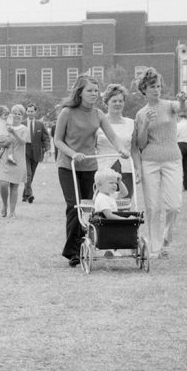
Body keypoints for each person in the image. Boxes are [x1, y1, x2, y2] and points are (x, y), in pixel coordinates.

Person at [54, 76, 129, 266]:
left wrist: (121, 149)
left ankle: (82, 246)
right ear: (80, 92)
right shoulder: (67, 112)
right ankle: (72, 251)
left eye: (96, 90)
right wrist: (73, 154)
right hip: (68, 165)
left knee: (88, 208)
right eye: (90, 90)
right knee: (74, 206)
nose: (94, 94)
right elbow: (58, 141)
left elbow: (113, 136)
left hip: (89, 166)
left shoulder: (98, 114)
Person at [133, 68, 182, 258]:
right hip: (150, 161)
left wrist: (183, 100)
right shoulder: (140, 113)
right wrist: (145, 123)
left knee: (174, 206)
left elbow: (181, 107)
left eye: (159, 86)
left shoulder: (170, 106)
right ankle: (154, 247)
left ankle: (166, 238)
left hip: (172, 159)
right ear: (144, 89)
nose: (157, 89)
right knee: (153, 207)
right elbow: (141, 143)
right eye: (153, 86)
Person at [94, 84, 136, 198]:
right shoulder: (98, 122)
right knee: (104, 205)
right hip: (103, 170)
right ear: (107, 102)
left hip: (126, 170)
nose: (118, 104)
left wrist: (138, 169)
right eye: (114, 101)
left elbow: (135, 149)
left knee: (124, 204)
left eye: (121, 101)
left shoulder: (131, 123)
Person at [0, 104, 30, 218]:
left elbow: (23, 142)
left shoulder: (24, 129)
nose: (17, 115)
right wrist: (3, 142)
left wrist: (13, 132)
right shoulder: (5, 126)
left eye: (19, 114)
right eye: (14, 113)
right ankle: (4, 205)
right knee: (3, 184)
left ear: (22, 116)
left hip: (18, 160)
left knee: (14, 186)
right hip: (5, 159)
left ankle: (12, 211)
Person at [22, 103, 52, 204]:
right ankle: (30, 194)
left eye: (32, 111)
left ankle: (24, 194)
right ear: (26, 112)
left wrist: (47, 148)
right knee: (28, 174)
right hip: (25, 151)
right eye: (28, 111)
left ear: (35, 112)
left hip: (36, 152)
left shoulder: (40, 124)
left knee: (32, 174)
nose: (30, 113)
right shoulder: (22, 124)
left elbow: (46, 138)